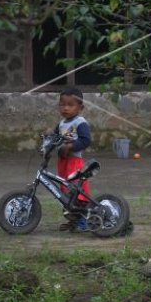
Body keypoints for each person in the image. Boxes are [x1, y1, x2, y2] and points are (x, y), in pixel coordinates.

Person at [54, 87, 92, 231]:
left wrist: (70, 147)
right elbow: (55, 137)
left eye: (70, 105)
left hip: (74, 163)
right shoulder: (61, 124)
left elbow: (85, 140)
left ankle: (83, 222)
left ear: (80, 107)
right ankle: (73, 221)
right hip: (63, 163)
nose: (65, 108)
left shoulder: (80, 122)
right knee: (65, 193)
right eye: (62, 104)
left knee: (77, 193)